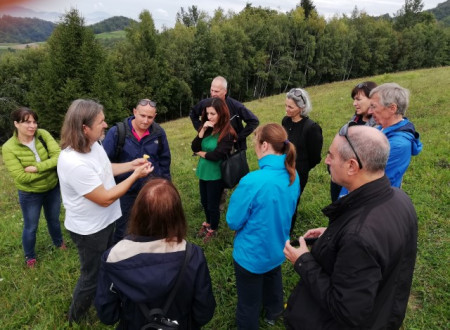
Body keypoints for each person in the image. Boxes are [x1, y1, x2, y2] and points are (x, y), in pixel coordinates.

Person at [283, 125, 418, 329]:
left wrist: (303, 261)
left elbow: (346, 311)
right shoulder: (400, 198)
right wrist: (335, 234)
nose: (327, 161)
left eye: (331, 155)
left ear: (352, 166)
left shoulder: (359, 235)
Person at [57, 99, 153, 323]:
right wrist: (135, 176)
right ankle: (75, 317)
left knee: (107, 263)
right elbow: (105, 198)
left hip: (107, 221)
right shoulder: (73, 162)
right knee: (91, 275)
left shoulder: (93, 145)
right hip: (90, 230)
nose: (106, 125)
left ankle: (107, 297)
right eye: (100, 121)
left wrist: (132, 165)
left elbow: (106, 168)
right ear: (84, 127)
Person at [95, 178, 216, 329]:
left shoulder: (113, 257)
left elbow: (108, 315)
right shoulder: (193, 256)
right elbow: (204, 312)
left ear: (137, 213)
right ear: (177, 215)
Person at [226, 123, 300, 329]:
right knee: (273, 276)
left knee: (248, 302)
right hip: (278, 247)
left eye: (256, 142)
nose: (254, 147)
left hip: (251, 255)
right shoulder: (293, 174)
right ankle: (274, 310)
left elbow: (233, 220)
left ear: (265, 145)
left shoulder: (253, 180)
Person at [2, 107, 65, 268]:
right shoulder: (9, 148)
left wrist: (37, 168)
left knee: (54, 220)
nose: (32, 126)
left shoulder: (43, 134)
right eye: (27, 122)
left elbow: (59, 156)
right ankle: (30, 256)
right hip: (30, 194)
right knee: (31, 226)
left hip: (52, 187)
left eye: (34, 121)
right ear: (16, 124)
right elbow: (21, 176)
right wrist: (48, 168)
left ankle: (59, 244)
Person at [102, 98, 171, 243]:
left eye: (150, 117)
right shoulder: (117, 132)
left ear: (155, 116)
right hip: (125, 192)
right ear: (134, 112)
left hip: (151, 191)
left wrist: (166, 188)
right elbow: (103, 164)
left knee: (153, 226)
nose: (146, 121)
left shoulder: (158, 133)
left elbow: (165, 162)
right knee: (124, 230)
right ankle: (121, 260)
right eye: (142, 116)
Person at [191, 97, 237, 243]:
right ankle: (208, 223)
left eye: (213, 114)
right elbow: (194, 146)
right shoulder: (208, 128)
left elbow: (217, 155)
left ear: (221, 114)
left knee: (213, 204)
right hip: (203, 172)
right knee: (204, 202)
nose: (209, 117)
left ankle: (213, 228)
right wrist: (203, 129)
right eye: (207, 113)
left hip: (216, 174)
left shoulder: (227, 133)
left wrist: (201, 153)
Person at [282, 88, 323, 234]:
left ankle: (286, 233)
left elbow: (315, 157)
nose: (287, 109)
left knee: (291, 204)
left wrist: (302, 167)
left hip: (298, 173)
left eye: (291, 107)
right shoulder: (285, 121)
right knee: (280, 201)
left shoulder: (311, 128)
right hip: (283, 168)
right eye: (286, 105)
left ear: (302, 108)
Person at [330, 81, 377, 202]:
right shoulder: (353, 122)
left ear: (373, 99)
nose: (354, 103)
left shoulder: (377, 130)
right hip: (340, 180)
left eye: (358, 99)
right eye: (354, 99)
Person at [368, 83, 422, 188]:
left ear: (392, 108)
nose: (370, 111)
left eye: (374, 106)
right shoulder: (381, 128)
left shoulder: (398, 145)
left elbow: (376, 183)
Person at [189, 76, 259, 150]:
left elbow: (254, 121)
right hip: (212, 148)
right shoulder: (205, 104)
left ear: (225, 91)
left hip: (235, 150)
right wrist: (202, 130)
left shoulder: (236, 106)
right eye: (211, 90)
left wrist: (238, 137)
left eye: (216, 91)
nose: (213, 94)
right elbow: (193, 114)